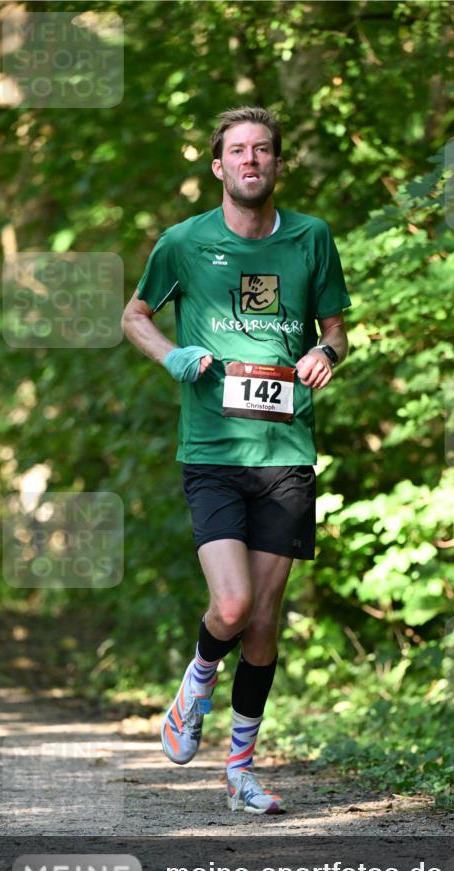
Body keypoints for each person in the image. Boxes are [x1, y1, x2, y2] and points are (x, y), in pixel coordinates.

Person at [121, 106, 350, 815]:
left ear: (278, 165)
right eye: (237, 151)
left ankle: (241, 771)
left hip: (286, 452)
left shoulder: (311, 238)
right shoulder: (184, 242)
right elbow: (134, 315)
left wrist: (322, 353)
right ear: (218, 166)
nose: (250, 160)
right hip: (214, 451)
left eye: (262, 151)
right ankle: (194, 683)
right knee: (232, 604)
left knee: (262, 625)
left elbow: (336, 328)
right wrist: (173, 357)